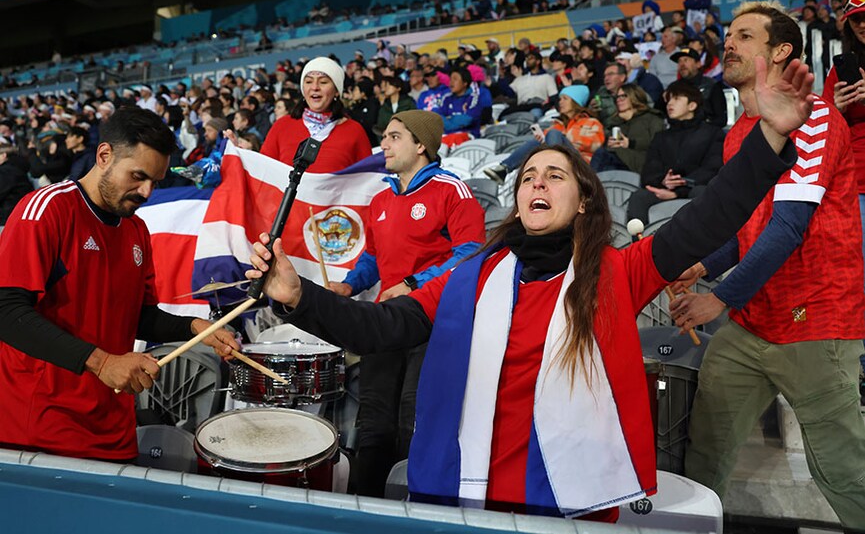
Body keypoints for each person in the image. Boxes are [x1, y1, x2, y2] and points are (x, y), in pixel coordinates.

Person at [244, 53, 812, 519]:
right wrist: (298, 296)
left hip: (567, 504)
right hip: (462, 497)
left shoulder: (617, 272)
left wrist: (767, 140)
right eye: (528, 178)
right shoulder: (469, 277)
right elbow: (382, 326)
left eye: (555, 175)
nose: (536, 182)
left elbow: (706, 220)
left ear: (585, 198)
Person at [670, 2, 865, 531]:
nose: (728, 43)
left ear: (781, 51)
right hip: (753, 324)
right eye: (728, 34)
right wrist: (698, 265)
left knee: (845, 473)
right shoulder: (739, 134)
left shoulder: (818, 115)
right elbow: (746, 231)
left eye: (745, 35)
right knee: (704, 456)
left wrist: (719, 297)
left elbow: (787, 228)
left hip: (817, 321)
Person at [0, 106, 240, 461]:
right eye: (138, 176)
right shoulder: (46, 210)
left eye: (155, 182)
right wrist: (101, 363)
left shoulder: (136, 229)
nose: (146, 192)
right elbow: (6, 311)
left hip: (114, 432)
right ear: (104, 155)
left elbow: (137, 315)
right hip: (41, 432)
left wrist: (195, 328)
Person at [329, 110, 485, 497]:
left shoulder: (452, 190)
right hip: (385, 320)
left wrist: (414, 284)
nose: (383, 144)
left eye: (394, 137)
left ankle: (413, 504)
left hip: (431, 322)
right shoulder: (381, 199)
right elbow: (373, 257)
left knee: (411, 420)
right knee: (374, 421)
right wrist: (349, 286)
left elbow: (471, 253)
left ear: (421, 145)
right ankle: (365, 506)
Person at [826, 0, 865, 388]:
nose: (862, 25)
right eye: (856, 19)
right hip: (855, 184)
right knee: (857, 276)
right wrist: (835, 108)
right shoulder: (842, 67)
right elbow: (824, 124)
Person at [627, 80, 724, 223]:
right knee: (639, 196)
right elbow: (649, 171)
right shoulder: (661, 137)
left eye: (676, 98)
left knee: (703, 193)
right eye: (669, 99)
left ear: (692, 105)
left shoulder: (713, 133)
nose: (669, 104)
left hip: (693, 188)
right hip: (664, 188)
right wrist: (664, 181)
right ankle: (640, 243)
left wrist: (680, 188)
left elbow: (712, 169)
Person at [261, 57, 372, 174]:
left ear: (337, 91)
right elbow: (263, 173)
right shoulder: (281, 126)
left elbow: (368, 180)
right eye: (308, 82)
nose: (315, 87)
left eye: (323, 82)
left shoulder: (354, 131)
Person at [483, 85, 604, 183]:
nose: (560, 102)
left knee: (553, 134)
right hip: (564, 158)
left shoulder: (590, 122)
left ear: (576, 102)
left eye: (565, 99)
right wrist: (543, 140)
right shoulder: (558, 124)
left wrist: (563, 138)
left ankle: (554, 167)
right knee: (538, 140)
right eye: (560, 99)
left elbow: (595, 145)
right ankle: (504, 168)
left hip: (581, 165)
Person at [591, 83, 665, 174]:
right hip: (618, 160)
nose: (619, 100)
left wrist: (630, 143)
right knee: (604, 162)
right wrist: (610, 143)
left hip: (642, 163)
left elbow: (657, 143)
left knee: (602, 154)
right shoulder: (617, 121)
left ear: (635, 96)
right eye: (617, 97)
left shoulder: (652, 118)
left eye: (623, 96)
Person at [669, 48, 727, 127]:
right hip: (678, 133)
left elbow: (721, 119)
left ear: (698, 64)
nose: (682, 64)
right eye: (679, 61)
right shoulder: (673, 87)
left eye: (686, 60)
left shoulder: (711, 85)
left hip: (706, 133)